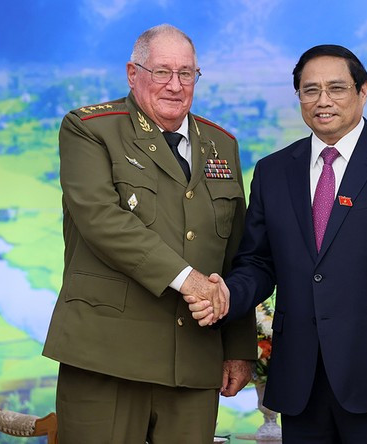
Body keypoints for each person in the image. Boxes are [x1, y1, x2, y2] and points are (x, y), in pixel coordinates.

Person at [187, 44, 367, 442]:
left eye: (336, 88)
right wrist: (226, 293)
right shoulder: (273, 171)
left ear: (363, 91)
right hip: (301, 381)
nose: (322, 101)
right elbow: (258, 262)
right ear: (299, 98)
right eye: (310, 90)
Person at [42, 24, 256, 444]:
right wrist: (187, 279)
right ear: (132, 73)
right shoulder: (90, 129)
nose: (175, 86)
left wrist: (239, 346)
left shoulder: (222, 144)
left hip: (193, 361)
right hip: (107, 356)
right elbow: (103, 220)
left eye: (187, 73)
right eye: (161, 72)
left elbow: (234, 253)